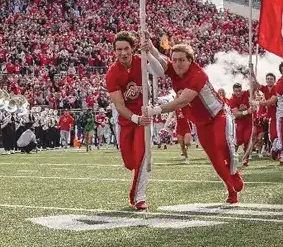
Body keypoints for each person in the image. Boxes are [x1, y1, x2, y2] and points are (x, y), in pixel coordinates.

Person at [141, 43, 244, 204]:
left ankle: (234, 172)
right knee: (214, 158)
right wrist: (151, 48)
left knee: (221, 144)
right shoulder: (174, 68)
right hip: (201, 122)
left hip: (218, 115)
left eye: (182, 60)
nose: (177, 64)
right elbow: (162, 62)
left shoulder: (197, 75)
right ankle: (230, 189)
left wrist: (155, 110)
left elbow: (182, 101)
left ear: (190, 60)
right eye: (175, 60)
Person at [104, 31, 156, 210]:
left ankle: (139, 196)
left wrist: (151, 50)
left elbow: (161, 69)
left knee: (141, 156)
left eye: (126, 48)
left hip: (144, 115)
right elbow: (119, 105)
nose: (123, 53)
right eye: (119, 49)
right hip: (126, 119)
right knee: (130, 162)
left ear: (132, 48)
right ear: (114, 51)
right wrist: (136, 119)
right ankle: (137, 191)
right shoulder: (112, 73)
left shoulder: (142, 61)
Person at [228, 83, 256, 169]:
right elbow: (236, 114)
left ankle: (245, 159)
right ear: (233, 91)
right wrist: (247, 111)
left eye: (239, 90)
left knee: (247, 140)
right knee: (238, 141)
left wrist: (252, 81)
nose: (238, 92)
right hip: (239, 123)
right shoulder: (232, 99)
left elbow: (253, 88)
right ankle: (232, 156)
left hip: (248, 122)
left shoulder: (245, 93)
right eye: (236, 91)